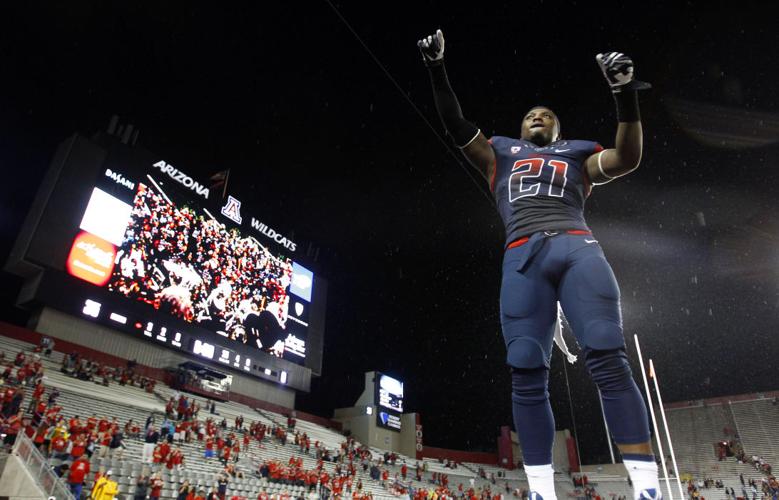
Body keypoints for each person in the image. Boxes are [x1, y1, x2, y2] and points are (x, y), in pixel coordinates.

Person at [418, 29, 659, 500]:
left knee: (608, 354)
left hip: (575, 246)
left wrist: (624, 94)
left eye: (546, 115)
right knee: (526, 366)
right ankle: (541, 490)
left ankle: (648, 487)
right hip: (522, 255)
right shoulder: (500, 153)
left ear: (558, 129)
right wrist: (436, 68)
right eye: (530, 113)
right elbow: (453, 120)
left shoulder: (576, 154)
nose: (536, 117)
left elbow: (627, 157)